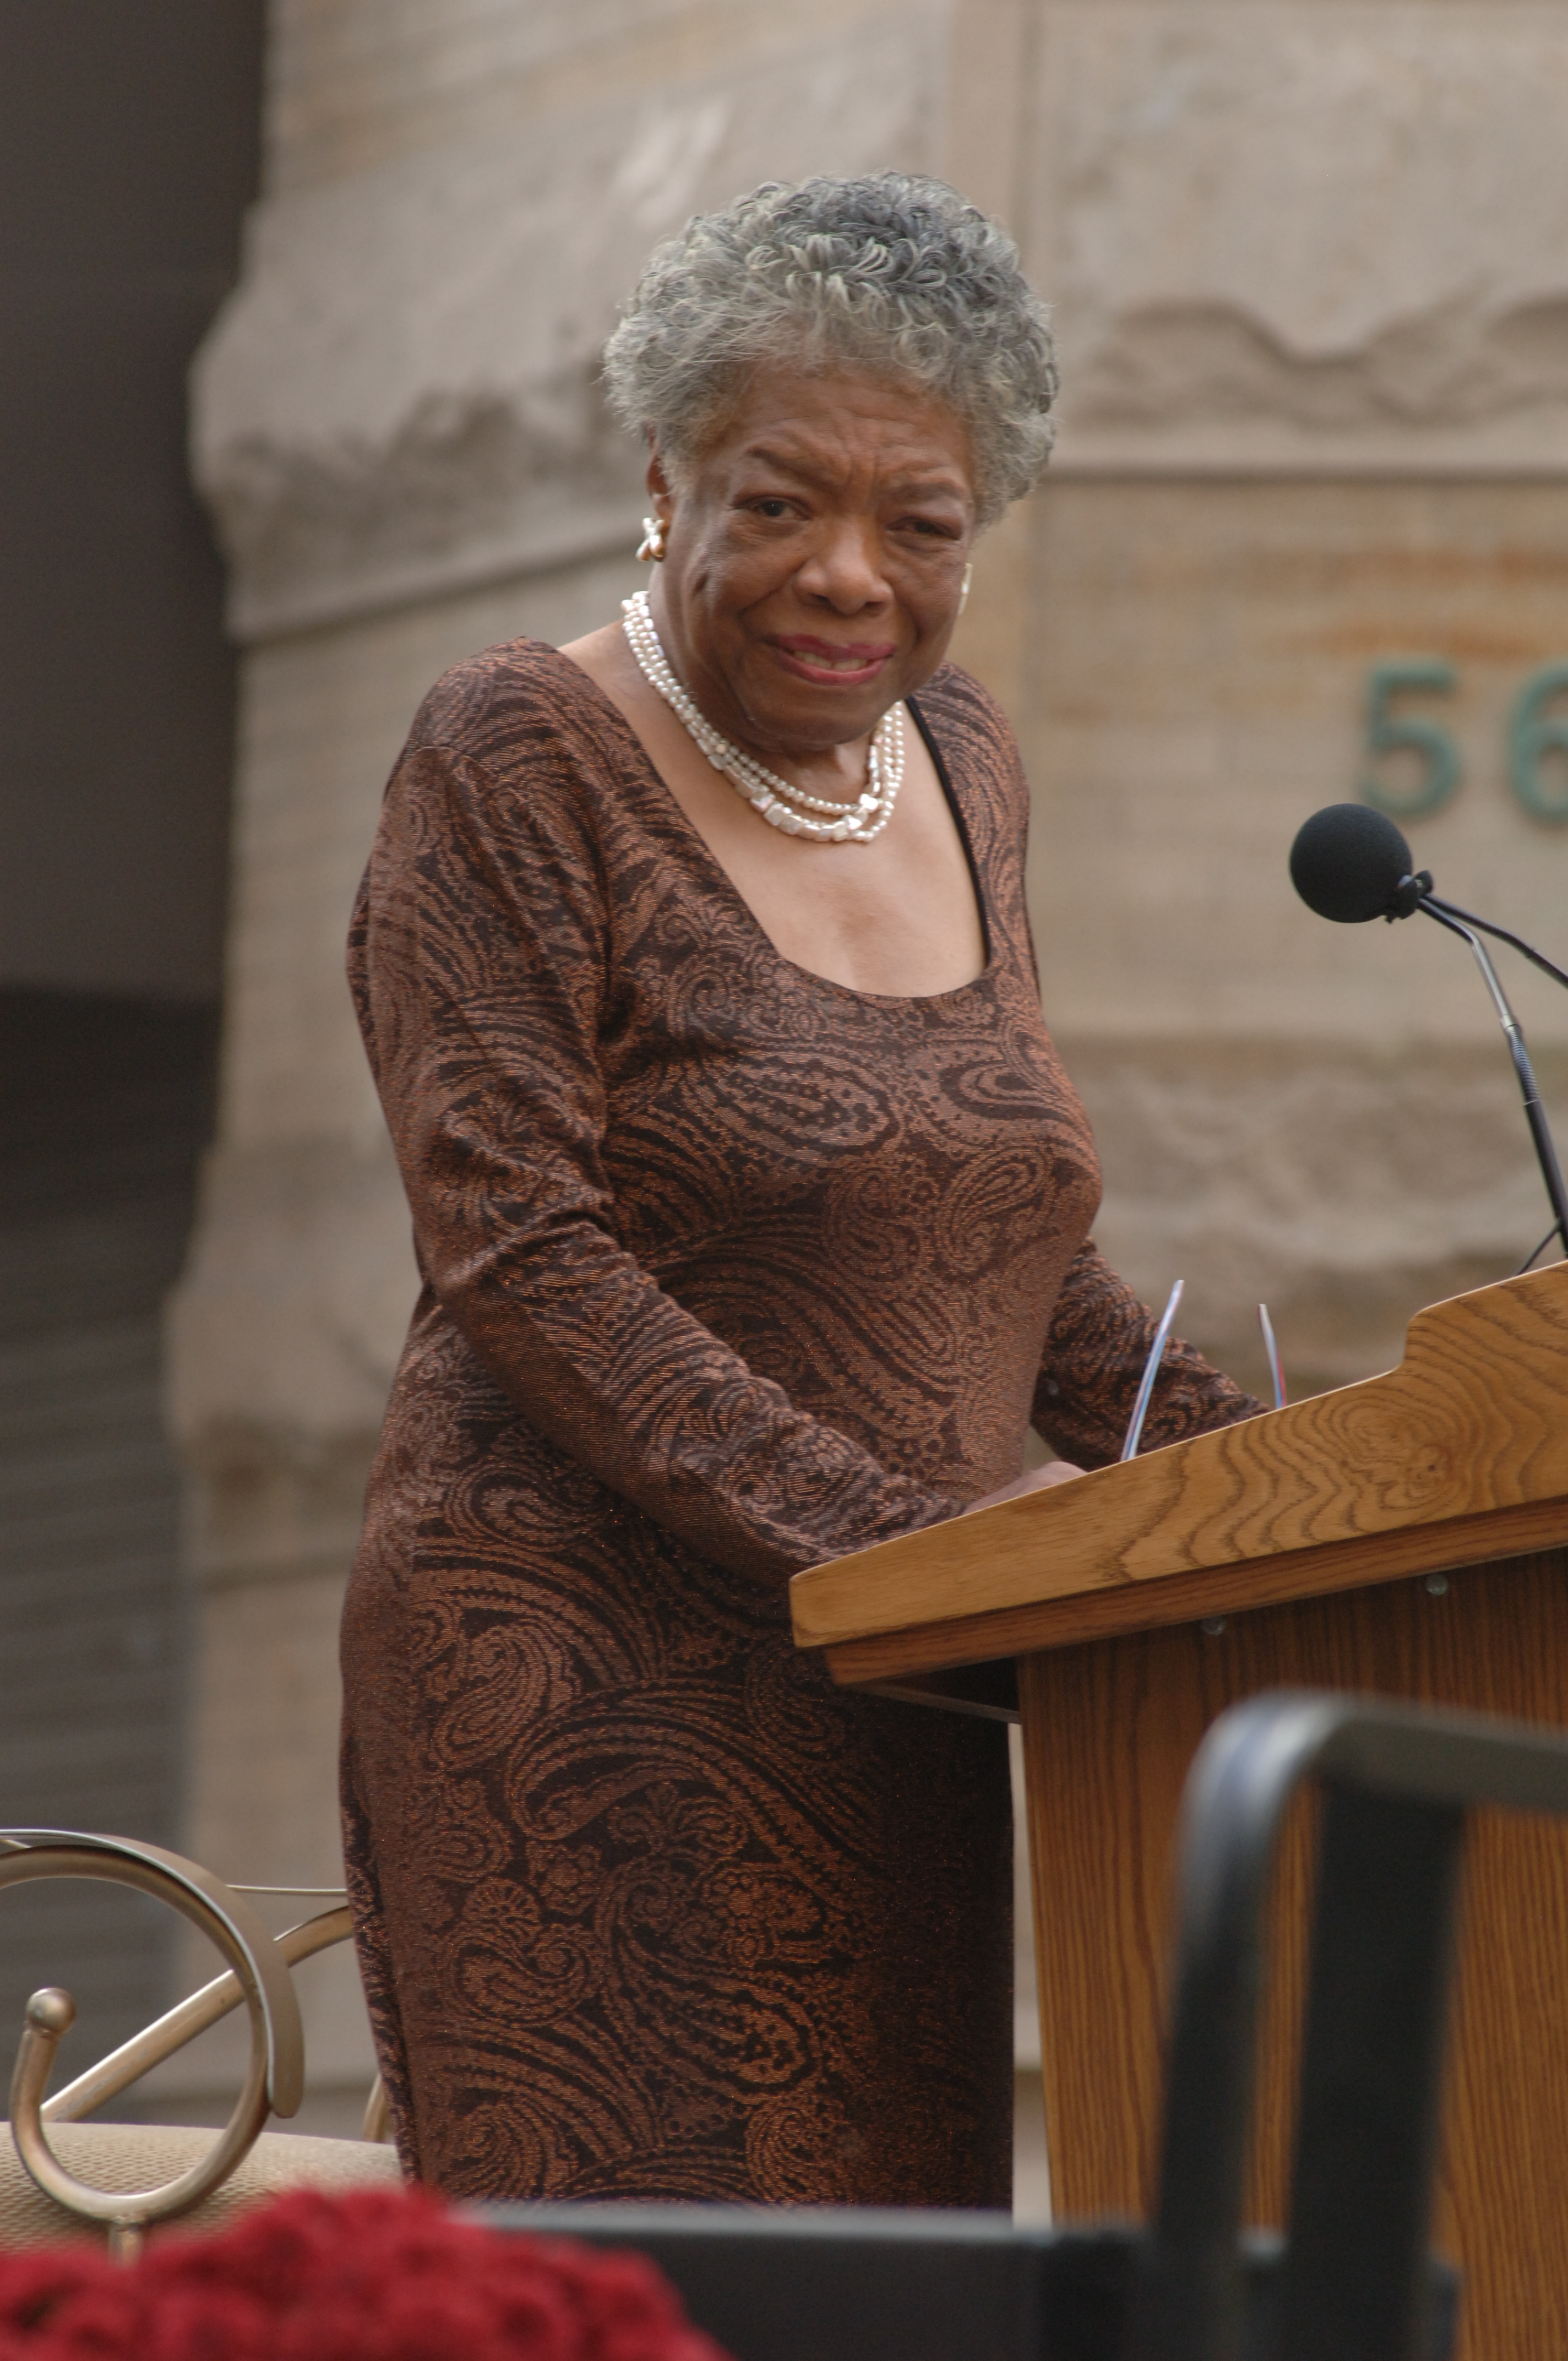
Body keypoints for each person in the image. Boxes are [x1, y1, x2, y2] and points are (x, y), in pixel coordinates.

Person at [341, 173, 1261, 2207]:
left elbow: (1002, 1234)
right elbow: (522, 1250)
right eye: (778, 504)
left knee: (892, 2280)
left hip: (897, 1694)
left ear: (980, 528)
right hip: (585, 1687)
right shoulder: (514, 749)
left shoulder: (966, 760)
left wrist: (1261, 1477)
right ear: (668, 479)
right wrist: (930, 1562)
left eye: (918, 526)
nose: (849, 575)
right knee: (667, 2300)